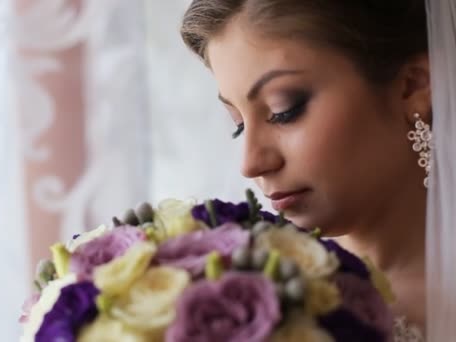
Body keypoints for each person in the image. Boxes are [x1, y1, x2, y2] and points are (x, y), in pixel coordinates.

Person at [180, 1, 431, 339]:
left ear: (413, 86)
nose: (250, 163)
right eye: (238, 124)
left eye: (285, 109)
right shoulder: (245, 298)